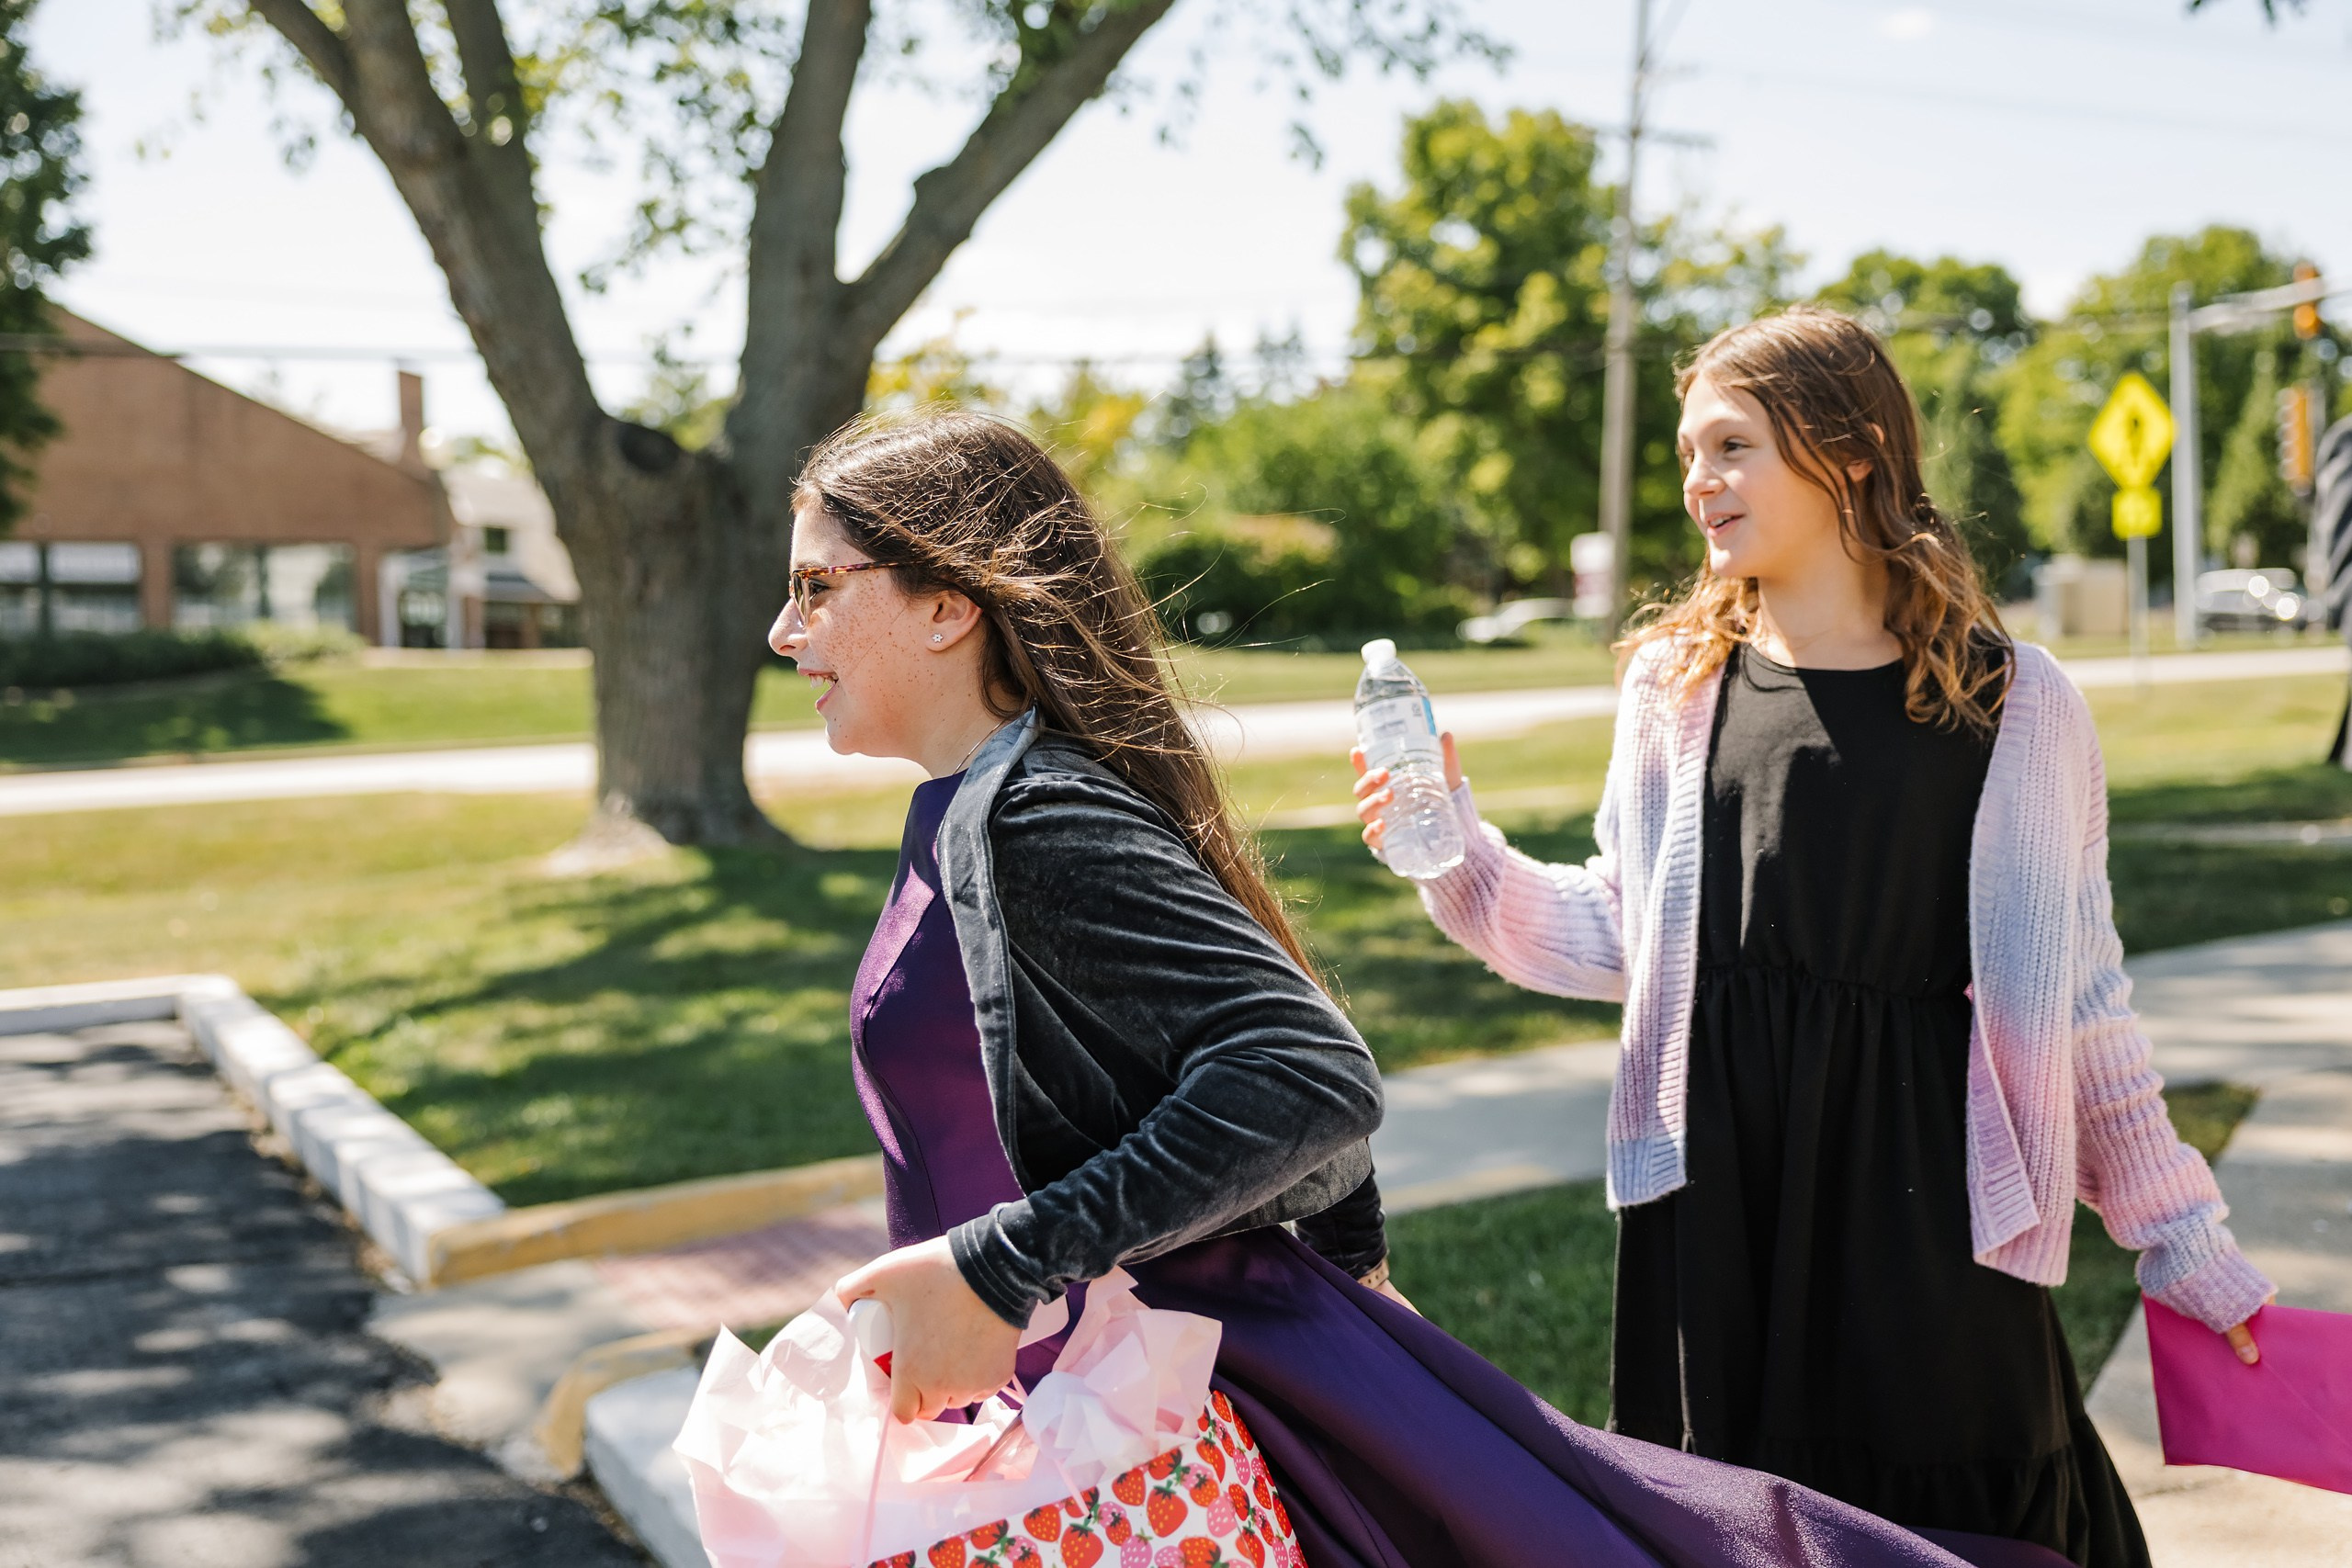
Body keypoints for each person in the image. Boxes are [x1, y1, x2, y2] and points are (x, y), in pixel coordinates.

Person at [773, 408, 2008, 1568]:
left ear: (947, 606)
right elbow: (1229, 1034)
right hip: (1064, 1410)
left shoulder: (1035, 811)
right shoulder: (973, 805)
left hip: (1147, 1408)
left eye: (816, 588)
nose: (786, 633)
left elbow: (1301, 1072)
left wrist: (1001, 1267)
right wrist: (1347, 1251)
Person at [1352, 306, 2274, 1568]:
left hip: (1932, 1224)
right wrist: (1458, 856)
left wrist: (2185, 1249)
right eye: (1688, 453)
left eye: (1730, 446)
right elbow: (1624, 933)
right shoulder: (1674, 689)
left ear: (1846, 451)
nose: (1697, 483)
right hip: (1715, 1213)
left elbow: (2080, 1010)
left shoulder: (2015, 705)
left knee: (1955, 1529)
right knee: (1728, 1526)